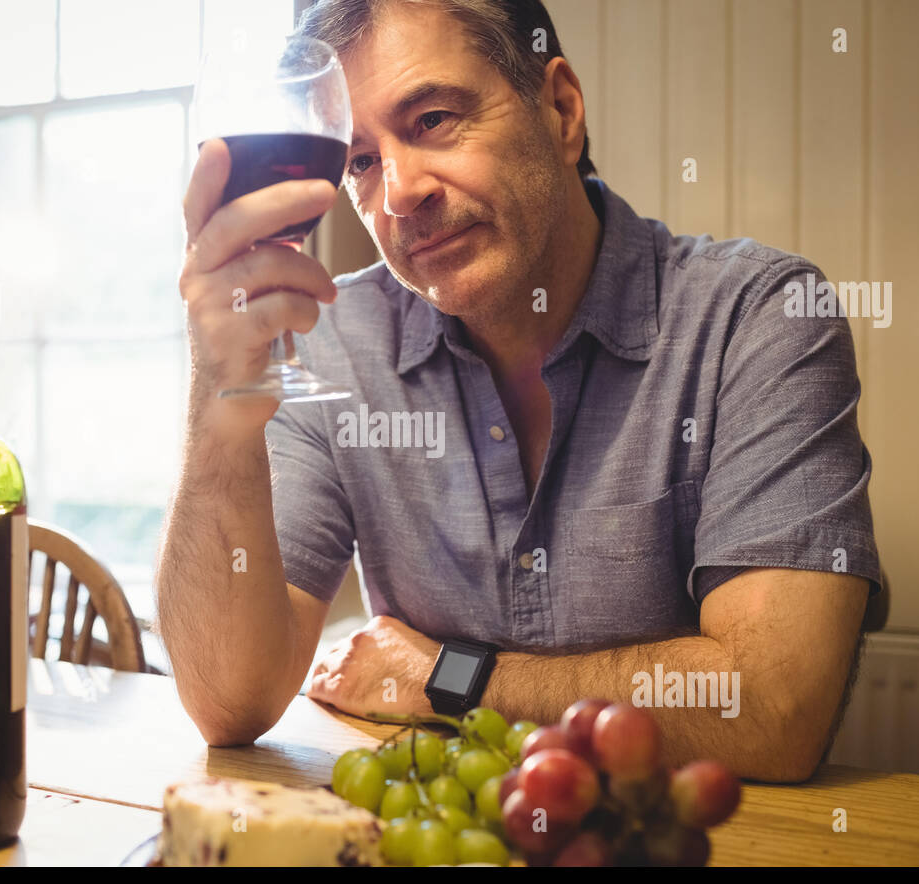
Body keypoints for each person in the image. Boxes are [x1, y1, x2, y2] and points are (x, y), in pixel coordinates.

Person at [157, 0, 881, 782]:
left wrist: (450, 678)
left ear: (561, 110)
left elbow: (773, 707)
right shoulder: (336, 342)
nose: (397, 193)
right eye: (361, 161)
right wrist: (220, 395)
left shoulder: (755, 315)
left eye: (433, 118)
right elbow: (228, 702)